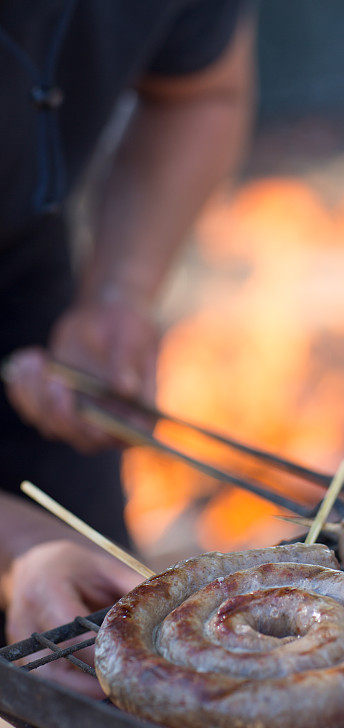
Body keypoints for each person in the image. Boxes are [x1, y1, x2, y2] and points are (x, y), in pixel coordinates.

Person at [0, 0, 255, 648]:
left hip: (23, 270)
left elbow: (197, 95)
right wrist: (19, 541)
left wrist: (121, 292)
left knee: (98, 646)